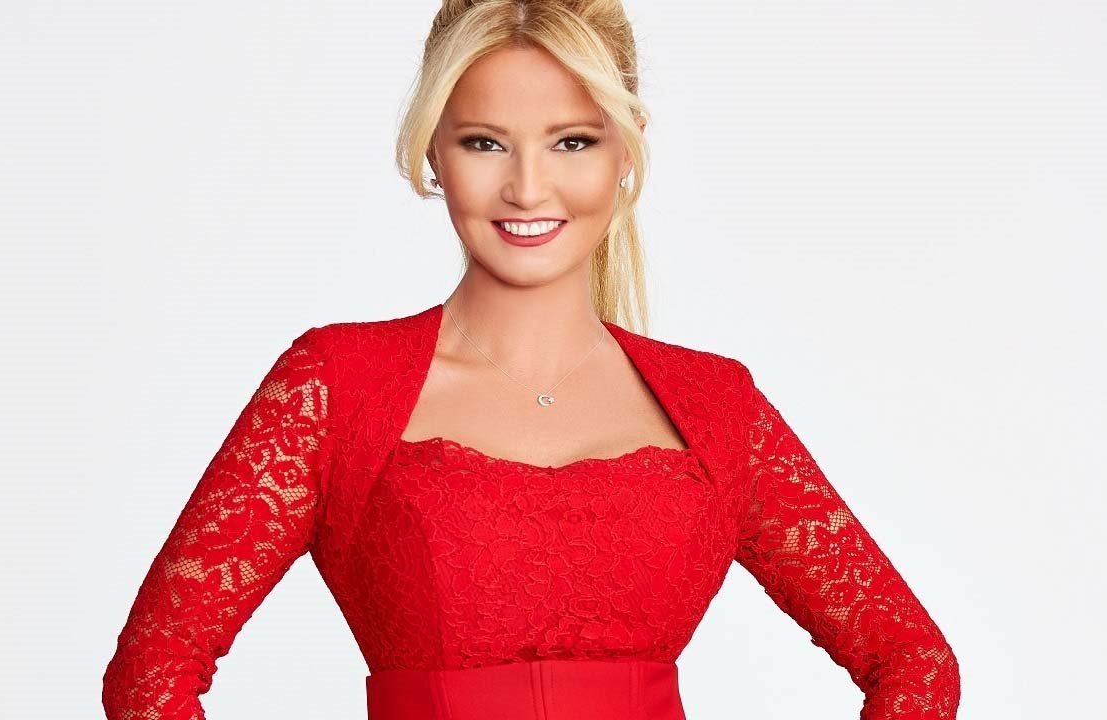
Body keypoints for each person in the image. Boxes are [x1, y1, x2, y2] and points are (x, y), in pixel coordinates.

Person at [102, 1, 961, 718]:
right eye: (484, 142)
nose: (526, 187)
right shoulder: (338, 386)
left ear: (627, 150)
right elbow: (152, 674)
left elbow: (915, 664)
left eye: (572, 142)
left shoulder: (716, 404)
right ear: (433, 150)